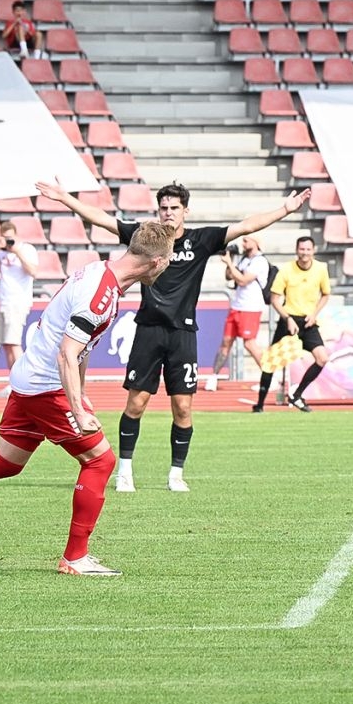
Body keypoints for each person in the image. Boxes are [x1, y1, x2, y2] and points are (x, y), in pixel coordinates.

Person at [0, 221, 176, 576]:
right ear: (156, 262)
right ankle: (75, 557)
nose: (168, 265)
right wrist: (77, 410)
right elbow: (67, 354)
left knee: (7, 461)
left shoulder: (99, 272)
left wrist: (81, 394)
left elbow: (79, 348)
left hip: (30, 376)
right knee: (100, 462)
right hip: (46, 385)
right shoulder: (101, 295)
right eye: (168, 259)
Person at [35, 177, 309, 493]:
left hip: (183, 334)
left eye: (174, 208)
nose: (168, 212)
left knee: (183, 408)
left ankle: (176, 474)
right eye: (163, 207)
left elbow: (246, 226)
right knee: (136, 404)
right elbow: (102, 220)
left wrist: (285, 210)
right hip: (148, 330)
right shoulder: (145, 237)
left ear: (185, 211)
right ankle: (125, 472)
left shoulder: (201, 240)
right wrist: (65, 198)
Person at [259, 235, 333, 413]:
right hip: (289, 320)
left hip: (308, 321)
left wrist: (314, 314)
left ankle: (297, 395)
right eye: (302, 249)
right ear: (296, 250)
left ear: (313, 251)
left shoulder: (321, 269)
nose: (305, 253)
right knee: (271, 362)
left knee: (322, 358)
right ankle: (259, 404)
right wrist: (287, 318)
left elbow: (325, 294)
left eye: (308, 249)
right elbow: (275, 299)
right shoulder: (286, 270)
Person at [0, 218, 42, 397]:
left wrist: (17, 252)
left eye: (11, 238)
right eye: (5, 238)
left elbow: (33, 271)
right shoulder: (1, 252)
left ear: (16, 236)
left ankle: (24, 383)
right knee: (6, 345)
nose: (8, 241)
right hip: (3, 301)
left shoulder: (26, 249)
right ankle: (14, 382)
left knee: (14, 343)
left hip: (18, 301)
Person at [214, 233, 270, 394]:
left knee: (249, 343)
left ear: (255, 241)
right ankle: (213, 376)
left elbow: (243, 280)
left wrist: (230, 264)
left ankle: (269, 375)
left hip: (250, 307)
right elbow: (229, 276)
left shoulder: (260, 261)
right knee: (226, 341)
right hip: (237, 305)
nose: (243, 243)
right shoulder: (244, 259)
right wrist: (229, 261)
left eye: (246, 240)